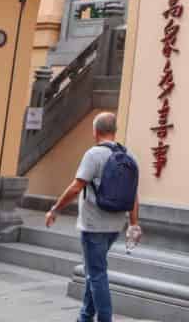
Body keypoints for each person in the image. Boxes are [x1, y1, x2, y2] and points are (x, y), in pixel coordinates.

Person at [46, 112, 141, 322]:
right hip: (115, 226)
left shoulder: (93, 154)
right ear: (114, 131)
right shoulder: (129, 156)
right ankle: (85, 316)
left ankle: (104, 319)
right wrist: (134, 223)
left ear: (95, 132)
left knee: (97, 275)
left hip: (93, 226)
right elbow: (133, 194)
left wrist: (55, 209)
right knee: (94, 270)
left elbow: (76, 187)